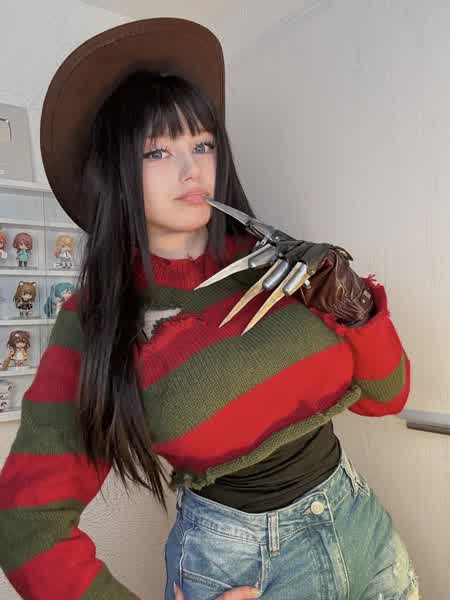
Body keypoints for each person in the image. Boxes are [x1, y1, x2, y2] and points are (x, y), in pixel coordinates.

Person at [0, 17, 419, 600]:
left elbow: (387, 397)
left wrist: (355, 308)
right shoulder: (97, 317)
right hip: (245, 571)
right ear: (116, 170)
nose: (191, 168)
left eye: (202, 144)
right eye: (157, 150)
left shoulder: (279, 261)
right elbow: (26, 525)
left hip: (364, 533)